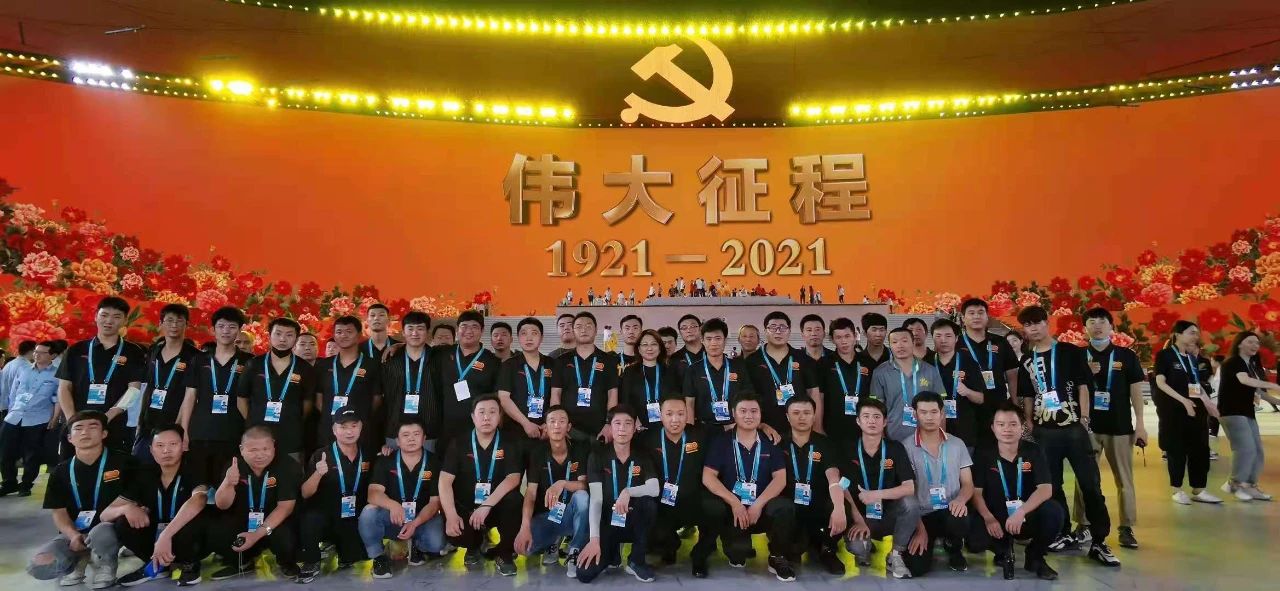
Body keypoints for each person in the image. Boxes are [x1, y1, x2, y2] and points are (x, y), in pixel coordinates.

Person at [1015, 306, 1120, 565]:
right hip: (1043, 431)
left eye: (1037, 322)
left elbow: (1083, 385)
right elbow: (1027, 395)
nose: (1033, 329)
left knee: (1090, 485)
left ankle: (1099, 540)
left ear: (1046, 322)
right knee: (1052, 486)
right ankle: (1062, 532)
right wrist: (1029, 423)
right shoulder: (1026, 360)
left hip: (1073, 429)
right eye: (1028, 325)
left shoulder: (1070, 352)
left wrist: (1083, 419)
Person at [26, 411, 134, 588]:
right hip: (75, 530)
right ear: (70, 438)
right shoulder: (60, 472)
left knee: (101, 532)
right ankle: (79, 560)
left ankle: (107, 563)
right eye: (78, 428)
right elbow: (59, 512)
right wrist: (73, 535)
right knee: (39, 565)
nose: (85, 432)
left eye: (93, 426)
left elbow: (135, 500)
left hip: (111, 528)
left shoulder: (125, 463)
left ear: (104, 433)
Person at [699, 395, 797, 581]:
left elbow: (780, 479)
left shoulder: (770, 440)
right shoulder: (722, 441)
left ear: (760, 414)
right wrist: (734, 503)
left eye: (754, 411)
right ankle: (735, 544)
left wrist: (758, 505)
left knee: (784, 507)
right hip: (735, 512)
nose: (749, 416)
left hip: (761, 509)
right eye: (743, 411)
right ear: (733, 414)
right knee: (738, 554)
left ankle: (777, 556)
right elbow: (708, 476)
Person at [1072, 308, 1146, 549]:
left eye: (1102, 321)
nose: (1097, 326)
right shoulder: (1078, 356)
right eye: (1091, 322)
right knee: (1085, 478)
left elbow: (1136, 392)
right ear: (1085, 328)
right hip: (1087, 428)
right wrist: (1085, 372)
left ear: (1111, 327)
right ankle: (1083, 525)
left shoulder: (1126, 356)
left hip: (1120, 427)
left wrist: (1140, 425)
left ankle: (1126, 527)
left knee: (1124, 479)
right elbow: (1070, 388)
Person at [970, 401, 1064, 580]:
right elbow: (976, 492)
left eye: (1013, 424)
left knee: (1054, 512)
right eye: (1001, 424)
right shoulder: (984, 453)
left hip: (1026, 515)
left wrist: (1021, 512)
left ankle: (1035, 556)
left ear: (1022, 428)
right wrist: (988, 518)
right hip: (995, 516)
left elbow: (1045, 489)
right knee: (975, 539)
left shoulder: (1034, 451)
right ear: (993, 428)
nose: (1007, 429)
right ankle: (1002, 550)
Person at [108, 424, 208, 586]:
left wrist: (165, 536)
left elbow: (199, 500)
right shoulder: (144, 474)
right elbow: (105, 514)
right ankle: (156, 564)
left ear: (183, 446)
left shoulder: (194, 469)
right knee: (123, 522)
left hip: (185, 538)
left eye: (173, 444)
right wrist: (126, 508)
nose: (166, 450)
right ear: (151, 450)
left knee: (195, 518)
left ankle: (189, 563)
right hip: (155, 539)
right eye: (160, 445)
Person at [439, 395, 524, 576]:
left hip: (495, 507)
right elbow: (444, 481)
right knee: (457, 533)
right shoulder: (458, 443)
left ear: (500, 416)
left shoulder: (509, 442)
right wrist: (451, 515)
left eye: (492, 412)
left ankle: (504, 554)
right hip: (467, 507)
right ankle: (473, 547)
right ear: (473, 417)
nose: (486, 417)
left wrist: (486, 505)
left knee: (515, 500)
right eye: (481, 412)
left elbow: (513, 478)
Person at [573, 405, 659, 583]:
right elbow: (596, 500)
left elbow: (654, 488)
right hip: (607, 522)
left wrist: (628, 491)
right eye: (617, 423)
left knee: (649, 504)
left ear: (634, 428)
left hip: (633, 520)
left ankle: (636, 561)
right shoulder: (597, 456)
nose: (622, 428)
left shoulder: (642, 454)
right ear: (610, 427)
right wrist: (594, 540)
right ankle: (612, 553)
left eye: (628, 423)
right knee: (584, 574)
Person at [209, 426, 303, 581]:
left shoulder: (287, 465)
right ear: (242, 449)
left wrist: (256, 535)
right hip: (245, 519)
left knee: (286, 536)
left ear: (273, 446)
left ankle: (286, 562)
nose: (260, 455)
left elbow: (285, 508)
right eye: (253, 450)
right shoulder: (234, 466)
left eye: (265, 449)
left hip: (276, 522)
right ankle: (242, 562)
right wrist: (228, 483)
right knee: (217, 529)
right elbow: (222, 505)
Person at [57, 296, 147, 455]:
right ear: (96, 316)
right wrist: (73, 420)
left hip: (113, 424)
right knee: (71, 466)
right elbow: (64, 388)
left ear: (125, 320)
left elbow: (134, 390)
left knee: (112, 467)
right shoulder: (76, 350)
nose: (109, 321)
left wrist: (107, 417)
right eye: (104, 315)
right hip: (76, 426)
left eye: (116, 317)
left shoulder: (133, 352)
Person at [840, 398, 918, 579]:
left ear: (884, 422)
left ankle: (896, 555)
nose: (871, 421)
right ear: (858, 421)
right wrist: (857, 519)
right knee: (858, 548)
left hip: (888, 515)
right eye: (866, 416)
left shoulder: (895, 448)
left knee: (911, 504)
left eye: (876, 417)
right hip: (860, 516)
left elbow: (909, 488)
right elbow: (841, 486)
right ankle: (865, 546)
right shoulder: (848, 448)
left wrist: (875, 495)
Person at [178, 306, 253, 490]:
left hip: (234, 434)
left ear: (239, 330)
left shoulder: (249, 361)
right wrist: (184, 431)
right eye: (221, 326)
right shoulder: (199, 360)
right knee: (198, 489)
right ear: (213, 330)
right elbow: (190, 396)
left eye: (232, 327)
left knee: (228, 489)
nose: (226, 331)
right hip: (201, 433)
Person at [900, 392, 973, 576]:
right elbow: (906, 493)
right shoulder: (905, 447)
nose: (929, 417)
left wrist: (961, 500)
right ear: (915, 415)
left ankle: (954, 546)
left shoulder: (957, 444)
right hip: (921, 516)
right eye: (923, 412)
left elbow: (967, 483)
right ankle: (929, 543)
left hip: (950, 511)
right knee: (916, 568)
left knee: (959, 519)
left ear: (942, 414)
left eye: (934, 412)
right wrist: (919, 529)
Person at [362, 420, 446, 578]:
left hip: (422, 518)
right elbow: (373, 494)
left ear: (424, 438)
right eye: (405, 435)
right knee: (369, 512)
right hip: (394, 518)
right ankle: (379, 557)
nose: (411, 439)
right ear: (398, 441)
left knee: (435, 544)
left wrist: (415, 523)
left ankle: (417, 546)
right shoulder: (386, 461)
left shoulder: (435, 462)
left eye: (416, 434)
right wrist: (392, 505)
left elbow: (435, 503)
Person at [514, 405, 590, 576]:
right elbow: (531, 493)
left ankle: (575, 549)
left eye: (562, 421)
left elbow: (584, 485)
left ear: (568, 427)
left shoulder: (579, 449)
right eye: (552, 421)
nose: (557, 426)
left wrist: (563, 483)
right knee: (525, 549)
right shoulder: (537, 452)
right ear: (545, 428)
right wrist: (524, 527)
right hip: (548, 515)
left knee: (582, 497)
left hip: (571, 514)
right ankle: (553, 541)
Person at [297, 407, 371, 582]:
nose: (349, 431)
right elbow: (305, 493)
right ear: (334, 430)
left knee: (354, 557)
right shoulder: (322, 454)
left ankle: (339, 547)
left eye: (354, 426)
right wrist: (318, 473)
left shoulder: (368, 454)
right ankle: (312, 560)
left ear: (361, 427)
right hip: (326, 515)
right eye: (343, 427)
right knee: (310, 518)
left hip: (352, 517)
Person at [1152, 320, 1222, 506]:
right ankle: (1177, 489)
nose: (1195, 336)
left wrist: (1208, 404)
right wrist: (1183, 400)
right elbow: (1160, 382)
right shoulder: (1165, 355)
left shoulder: (1191, 359)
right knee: (1177, 450)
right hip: (1174, 412)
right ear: (1177, 334)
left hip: (1196, 412)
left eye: (1197, 333)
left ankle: (1199, 489)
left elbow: (1196, 385)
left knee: (1200, 449)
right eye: (1191, 332)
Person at [780, 396, 847, 575]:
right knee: (783, 515)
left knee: (839, 504)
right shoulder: (779, 443)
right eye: (796, 413)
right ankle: (786, 551)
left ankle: (828, 549)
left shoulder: (825, 443)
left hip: (817, 506)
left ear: (814, 415)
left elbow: (834, 478)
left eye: (807, 413)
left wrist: (839, 507)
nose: (802, 417)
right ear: (787, 416)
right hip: (790, 508)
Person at [642, 396, 712, 568]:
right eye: (669, 414)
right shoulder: (648, 439)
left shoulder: (700, 435)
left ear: (687, 414)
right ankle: (669, 545)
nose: (675, 419)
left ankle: (700, 553)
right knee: (650, 517)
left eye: (680, 414)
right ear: (660, 415)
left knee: (716, 509)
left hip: (692, 500)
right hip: (663, 503)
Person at [238, 318, 315, 462]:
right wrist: (252, 421)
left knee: (291, 473)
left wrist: (292, 419)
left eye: (289, 335)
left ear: (296, 338)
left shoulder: (305, 368)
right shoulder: (254, 364)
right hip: (258, 435)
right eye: (278, 333)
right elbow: (241, 398)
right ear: (269, 336)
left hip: (290, 435)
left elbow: (307, 402)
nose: (282, 339)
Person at [1218, 331, 1280, 501]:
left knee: (1257, 451)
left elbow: (1258, 391)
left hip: (1246, 412)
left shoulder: (1250, 365)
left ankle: (1250, 485)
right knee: (1245, 448)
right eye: (1250, 342)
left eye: (1257, 343)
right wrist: (1273, 385)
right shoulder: (1233, 362)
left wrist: (1277, 401)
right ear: (1239, 344)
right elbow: (1244, 380)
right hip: (1232, 412)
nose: (1255, 345)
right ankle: (1235, 483)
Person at [136, 305, 201, 463]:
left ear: (187, 324)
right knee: (142, 466)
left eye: (179, 321)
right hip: (149, 423)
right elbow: (148, 387)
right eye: (169, 320)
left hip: (175, 424)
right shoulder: (154, 350)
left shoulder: (195, 356)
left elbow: (190, 394)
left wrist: (179, 427)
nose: (174, 325)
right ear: (160, 324)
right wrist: (139, 421)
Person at [430, 311, 501, 450]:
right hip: (444, 429)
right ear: (457, 329)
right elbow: (416, 348)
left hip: (477, 430)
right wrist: (396, 346)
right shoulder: (442, 353)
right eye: (464, 326)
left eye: (474, 327)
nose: (469, 331)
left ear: (482, 331)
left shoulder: (493, 361)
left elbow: (498, 397)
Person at [745, 311, 822, 439]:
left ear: (789, 331)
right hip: (765, 429)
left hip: (800, 428)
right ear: (765, 331)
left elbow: (813, 393)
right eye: (773, 327)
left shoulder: (803, 359)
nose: (778, 331)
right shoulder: (752, 362)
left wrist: (817, 427)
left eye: (782, 327)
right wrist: (760, 425)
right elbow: (747, 398)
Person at [958, 299, 1021, 447]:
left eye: (981, 312)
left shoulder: (1000, 342)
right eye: (971, 313)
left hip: (997, 405)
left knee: (997, 449)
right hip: (966, 408)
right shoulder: (956, 343)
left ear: (987, 317)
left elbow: (1012, 375)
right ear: (963, 318)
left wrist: (1015, 402)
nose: (976, 316)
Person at [315, 316, 383, 452]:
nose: (343, 335)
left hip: (360, 430)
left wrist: (359, 416)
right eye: (339, 332)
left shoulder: (372, 365)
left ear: (359, 335)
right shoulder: (323, 365)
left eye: (349, 331)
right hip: (329, 429)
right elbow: (318, 399)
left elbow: (377, 399)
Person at [0, 340, 59, 497]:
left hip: (38, 418)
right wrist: (11, 410)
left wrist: (54, 418)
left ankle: (26, 484)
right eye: (36, 352)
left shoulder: (57, 374)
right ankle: (9, 482)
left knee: (32, 454)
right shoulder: (24, 369)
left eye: (42, 353)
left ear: (52, 355)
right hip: (14, 416)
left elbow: (58, 399)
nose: (37, 355)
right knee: (5, 451)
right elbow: (14, 392)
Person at [550, 312, 619, 444]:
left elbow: (612, 395)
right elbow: (555, 395)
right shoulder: (561, 361)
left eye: (588, 326)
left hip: (600, 429)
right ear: (573, 331)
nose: (584, 330)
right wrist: (558, 424)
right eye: (579, 326)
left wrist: (609, 423)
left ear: (596, 330)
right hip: (570, 429)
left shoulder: (609, 361)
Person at [871, 328, 944, 443]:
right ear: (890, 346)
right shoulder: (880, 372)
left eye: (904, 341)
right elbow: (877, 408)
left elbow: (941, 407)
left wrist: (941, 438)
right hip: (893, 437)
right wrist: (881, 438)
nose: (900, 345)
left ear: (913, 342)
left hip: (926, 437)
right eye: (894, 342)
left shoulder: (930, 370)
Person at [683, 319, 755, 431]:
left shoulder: (738, 367)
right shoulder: (693, 370)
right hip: (704, 430)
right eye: (709, 339)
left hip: (735, 427)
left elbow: (748, 399)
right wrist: (691, 433)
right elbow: (689, 405)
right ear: (702, 340)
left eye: (718, 338)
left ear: (725, 340)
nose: (713, 343)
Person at [925, 319, 985, 448]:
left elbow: (980, 399)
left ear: (956, 338)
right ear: (932, 338)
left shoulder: (969, 363)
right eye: (938, 336)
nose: (943, 340)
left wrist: (967, 392)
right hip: (932, 427)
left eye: (948, 336)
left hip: (963, 429)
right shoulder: (926, 363)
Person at [497, 317, 557, 443]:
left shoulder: (552, 364)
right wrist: (526, 423)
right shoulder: (509, 365)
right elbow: (504, 398)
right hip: (515, 431)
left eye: (534, 333)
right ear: (518, 338)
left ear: (541, 337)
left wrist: (549, 422)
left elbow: (556, 395)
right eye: (524, 334)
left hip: (545, 431)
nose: (529, 338)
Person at [381, 311, 434, 451]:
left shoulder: (439, 357)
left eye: (420, 328)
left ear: (428, 332)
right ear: (403, 332)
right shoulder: (390, 359)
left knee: (427, 465)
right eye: (410, 328)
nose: (415, 333)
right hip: (395, 430)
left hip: (430, 430)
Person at [820, 317, 871, 447]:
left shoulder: (868, 362)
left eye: (847, 336)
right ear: (832, 339)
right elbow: (819, 397)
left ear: (855, 336)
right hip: (833, 428)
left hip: (863, 428)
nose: (844, 341)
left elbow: (874, 395)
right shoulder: (824, 364)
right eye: (838, 337)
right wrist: (818, 427)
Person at [619, 329, 680, 431]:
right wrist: (634, 421)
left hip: (667, 427)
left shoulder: (670, 370)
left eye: (654, 344)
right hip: (639, 428)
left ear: (660, 348)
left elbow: (676, 400)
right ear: (639, 349)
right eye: (645, 345)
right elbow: (625, 400)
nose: (650, 348)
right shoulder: (630, 371)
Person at [671, 314, 705, 385]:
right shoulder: (674, 359)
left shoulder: (712, 353)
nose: (689, 330)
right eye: (684, 328)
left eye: (693, 326)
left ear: (700, 329)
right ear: (680, 333)